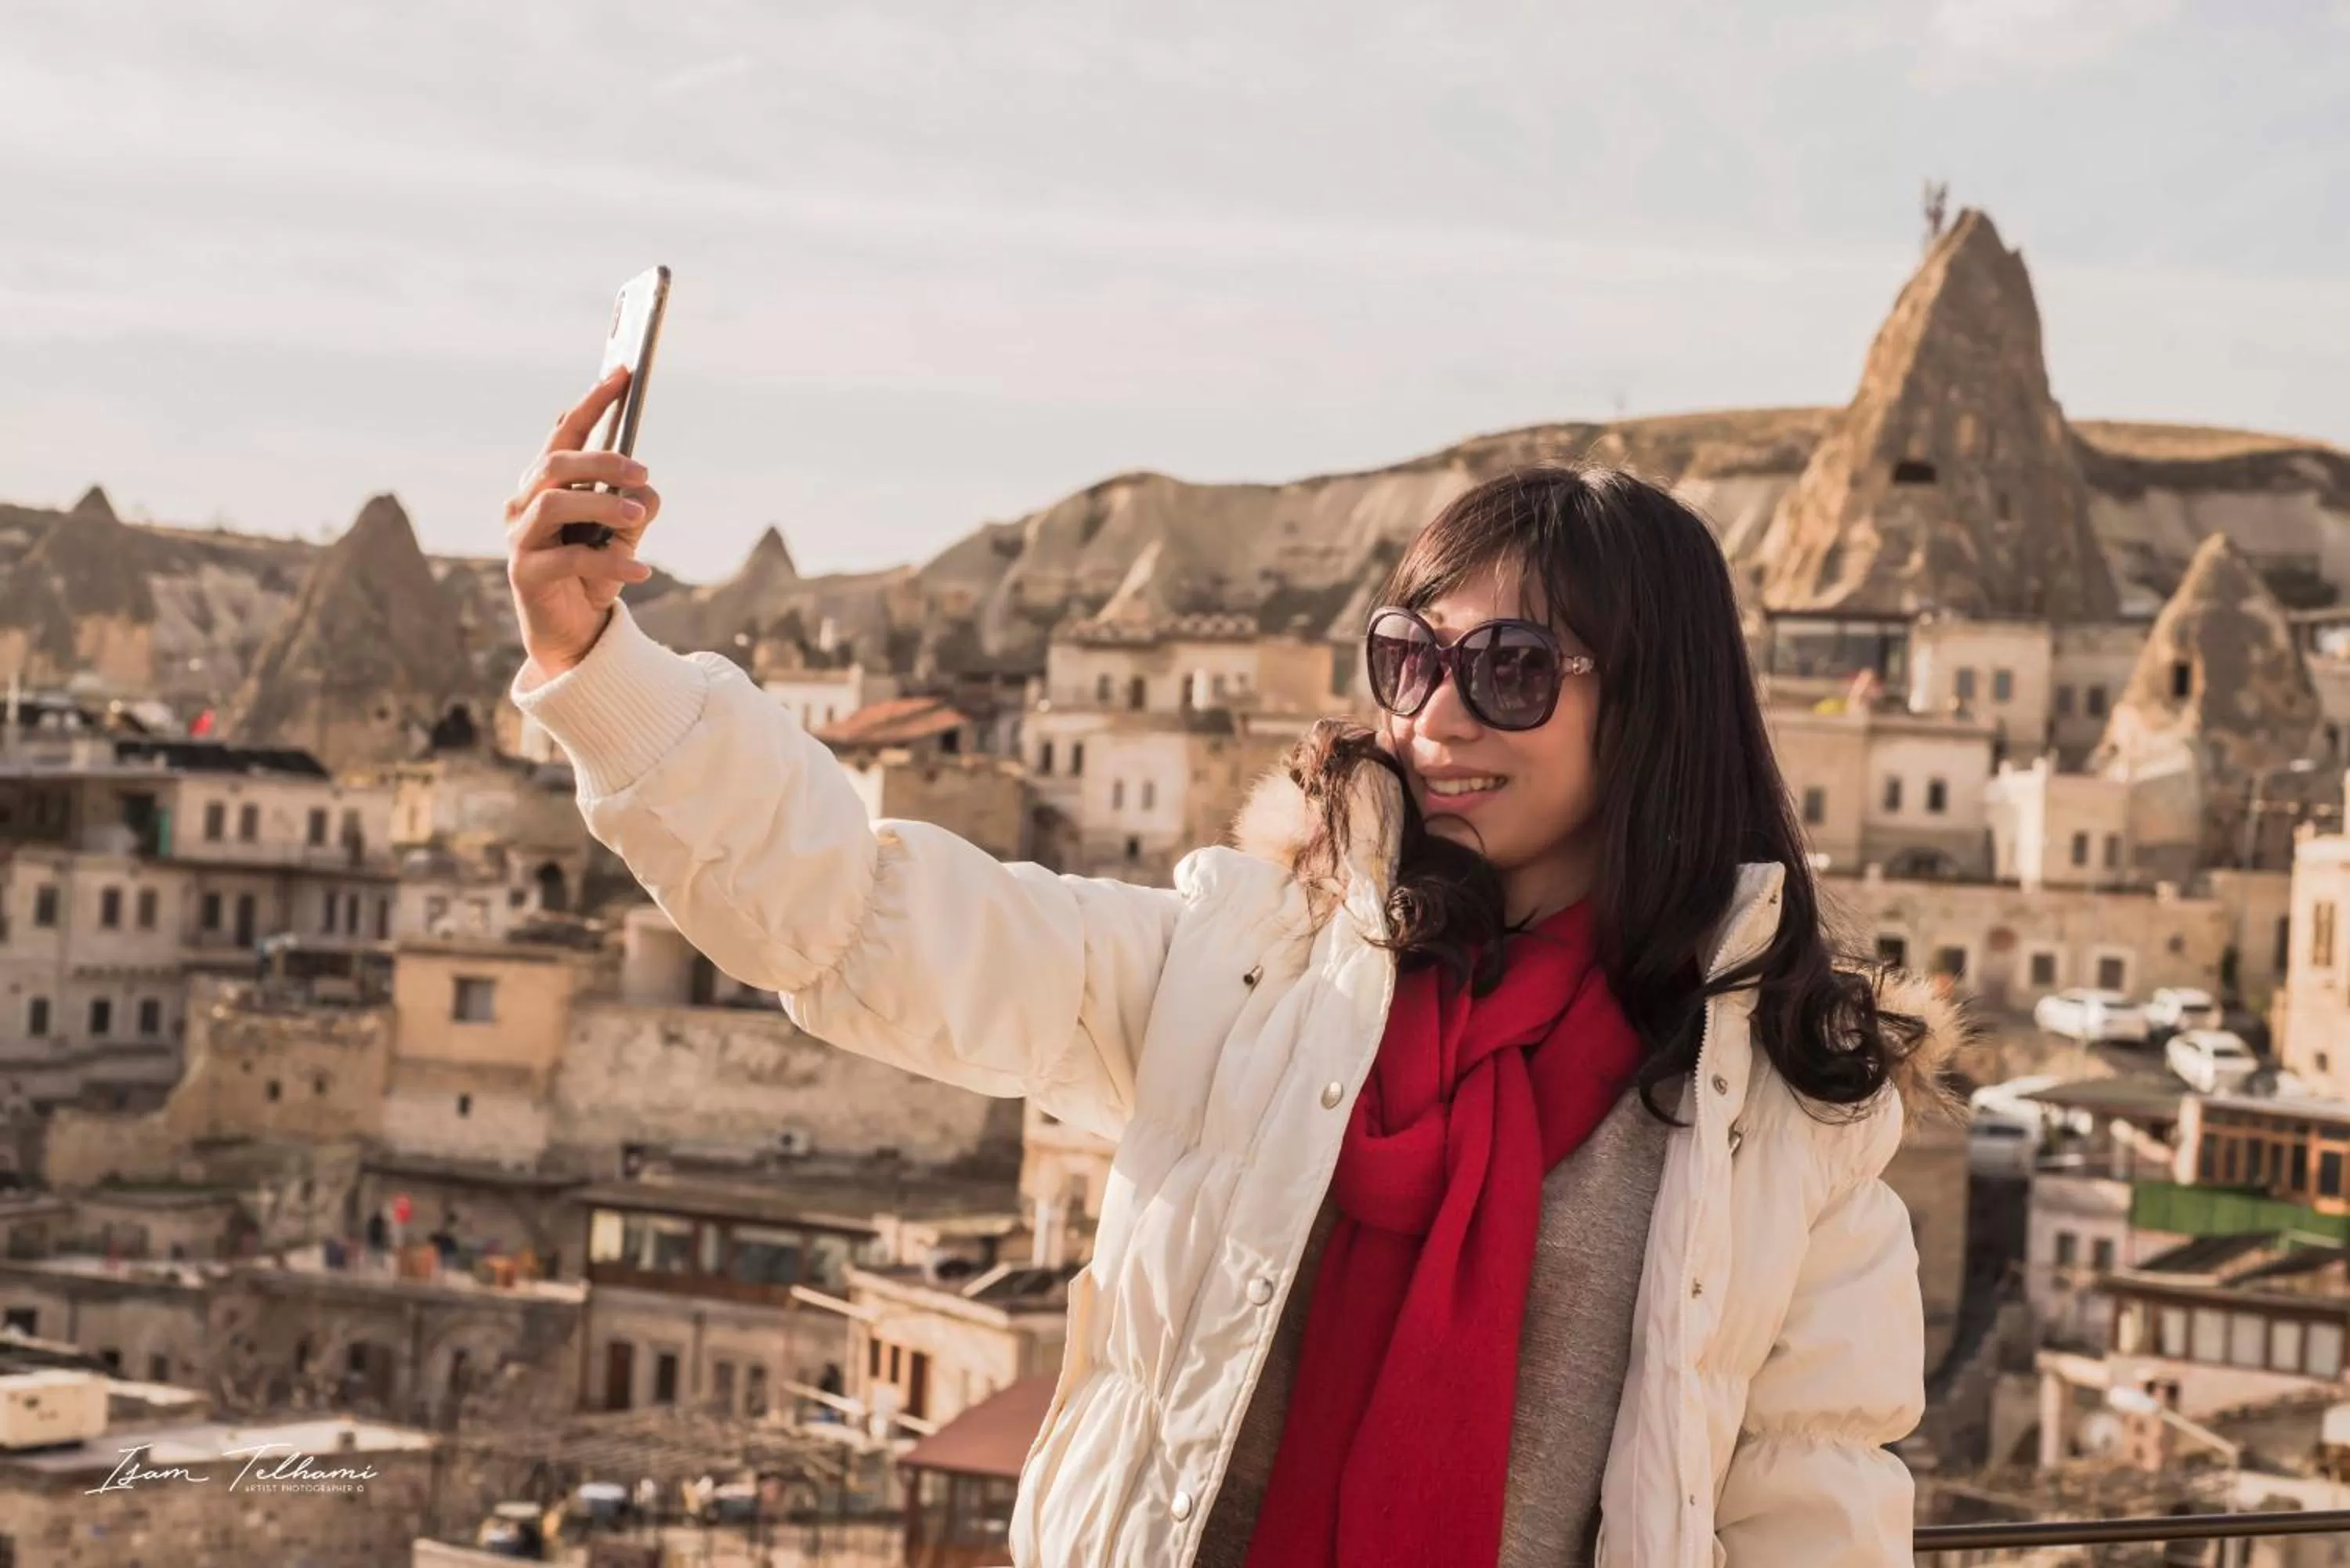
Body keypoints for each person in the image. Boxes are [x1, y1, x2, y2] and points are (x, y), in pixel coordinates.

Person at [503, 373, 1958, 1566]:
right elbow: (866, 917)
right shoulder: (1251, 963)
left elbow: (1809, 1505)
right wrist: (605, 668)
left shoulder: (1782, 1109)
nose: (1440, 715)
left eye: (1512, 668)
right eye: (1411, 659)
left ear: (1651, 709)